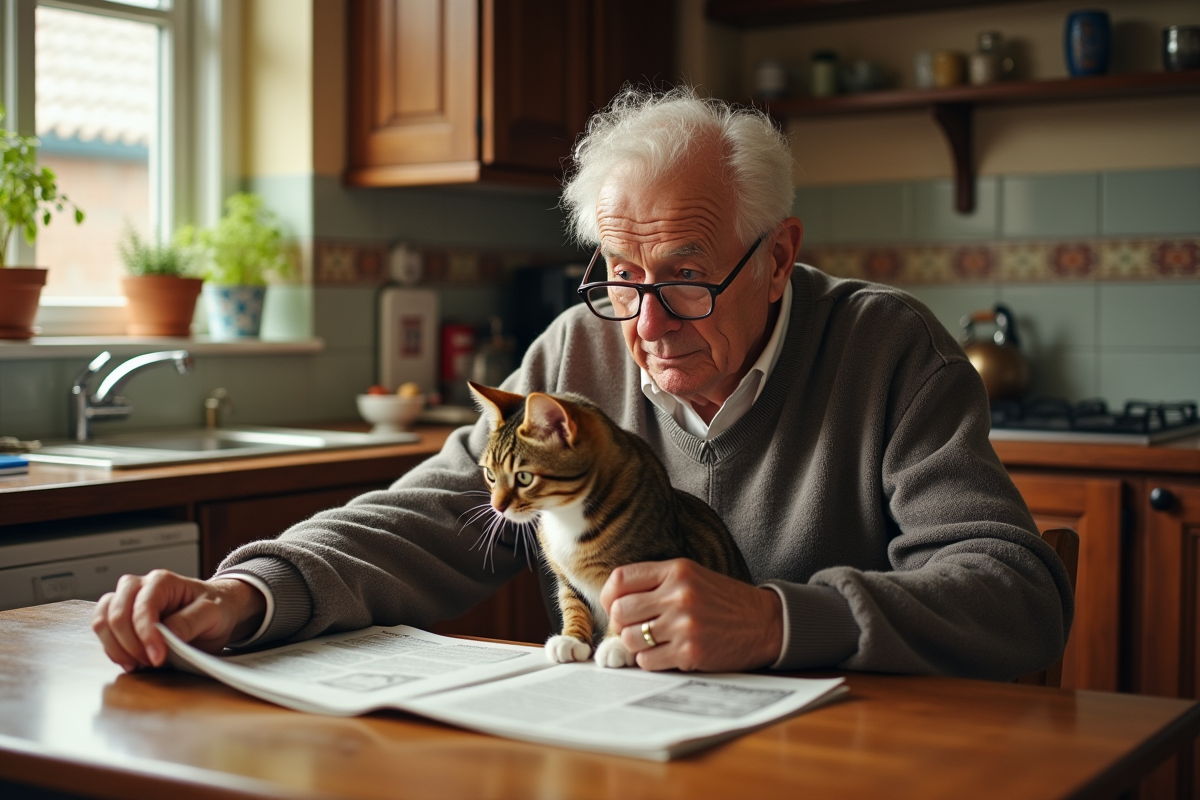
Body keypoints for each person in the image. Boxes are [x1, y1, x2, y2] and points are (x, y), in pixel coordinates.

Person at [93, 88, 1072, 679]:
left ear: (778, 258)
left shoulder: (891, 351)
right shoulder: (574, 354)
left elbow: (1015, 594)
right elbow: (432, 512)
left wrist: (777, 618)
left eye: (687, 277)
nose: (644, 324)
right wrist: (249, 589)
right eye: (620, 277)